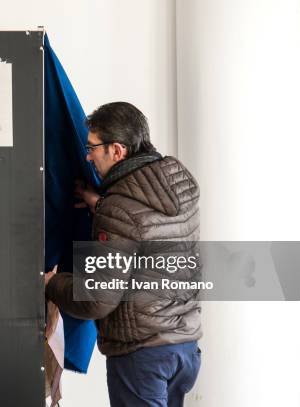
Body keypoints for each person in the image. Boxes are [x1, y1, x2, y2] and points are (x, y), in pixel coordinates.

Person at [45, 102, 202, 407]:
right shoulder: (180, 183)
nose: (88, 156)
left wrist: (53, 284)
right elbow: (149, 227)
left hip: (142, 356)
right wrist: (101, 204)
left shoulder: (118, 207)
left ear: (117, 151)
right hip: (185, 348)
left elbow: (97, 298)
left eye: (93, 148)